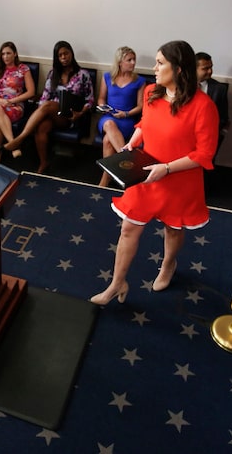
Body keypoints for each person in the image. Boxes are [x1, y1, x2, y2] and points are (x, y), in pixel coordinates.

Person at [89, 40, 219, 306]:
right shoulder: (151, 92)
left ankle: (168, 264)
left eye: (160, 63)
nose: (154, 67)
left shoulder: (203, 106)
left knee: (172, 229)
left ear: (180, 69)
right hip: (146, 171)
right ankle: (117, 283)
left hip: (179, 178)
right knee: (128, 228)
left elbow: (204, 154)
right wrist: (132, 143)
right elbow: (144, 124)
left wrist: (168, 168)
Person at [4, 41, 94, 173]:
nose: (63, 57)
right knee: (41, 127)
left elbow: (90, 100)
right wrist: (40, 116)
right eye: (60, 55)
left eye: (66, 54)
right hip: (52, 114)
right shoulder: (53, 74)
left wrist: (80, 113)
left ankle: (20, 138)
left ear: (71, 54)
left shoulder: (83, 75)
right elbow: (45, 96)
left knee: (47, 105)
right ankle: (44, 162)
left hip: (71, 116)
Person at [96, 46, 147, 187]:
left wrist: (126, 113)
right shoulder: (107, 77)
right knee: (109, 124)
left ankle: (105, 179)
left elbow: (141, 106)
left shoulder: (140, 80)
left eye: (134, 60)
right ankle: (127, 161)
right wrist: (103, 108)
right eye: (129, 60)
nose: (133, 63)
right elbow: (101, 98)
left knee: (107, 140)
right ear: (120, 62)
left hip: (127, 119)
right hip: (108, 117)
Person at [0, 41, 35, 163]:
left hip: (16, 104)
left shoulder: (23, 69)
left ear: (15, 54)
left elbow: (31, 92)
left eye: (8, 53)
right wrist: (0, 100)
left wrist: (12, 101)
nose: (5, 56)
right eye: (3, 54)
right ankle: (13, 144)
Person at [195, 52, 230, 154]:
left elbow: (223, 116)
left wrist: (220, 134)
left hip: (209, 137)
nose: (210, 71)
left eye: (211, 67)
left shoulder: (220, 89)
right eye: (205, 68)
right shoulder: (182, 87)